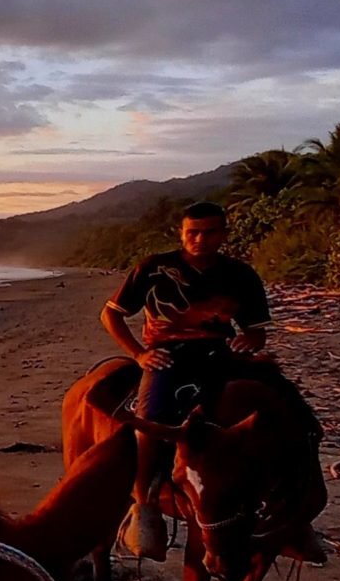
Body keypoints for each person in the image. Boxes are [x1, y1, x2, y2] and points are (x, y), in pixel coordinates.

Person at [100, 202, 269, 560]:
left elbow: (255, 331)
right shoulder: (153, 268)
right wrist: (138, 353)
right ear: (181, 232)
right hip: (166, 355)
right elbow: (111, 315)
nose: (200, 239)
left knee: (275, 409)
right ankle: (143, 504)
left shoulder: (240, 275)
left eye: (209, 232)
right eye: (192, 232)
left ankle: (288, 507)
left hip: (219, 353)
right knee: (149, 422)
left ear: (223, 233)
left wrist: (249, 341)